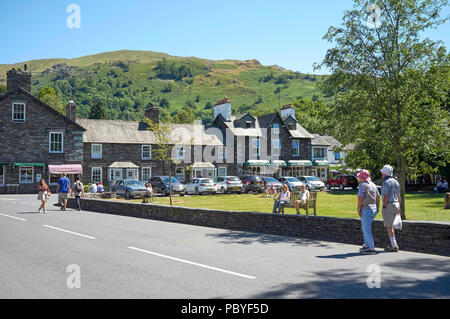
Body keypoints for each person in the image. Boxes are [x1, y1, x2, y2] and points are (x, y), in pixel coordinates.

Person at [357, 170, 380, 255]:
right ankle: (366, 245)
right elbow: (378, 196)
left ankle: (371, 248)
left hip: (366, 209)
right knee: (365, 227)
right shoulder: (373, 184)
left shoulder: (362, 185)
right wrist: (377, 207)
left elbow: (360, 198)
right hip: (373, 208)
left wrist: (358, 209)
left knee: (366, 229)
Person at [381, 165, 401, 252]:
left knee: (389, 226)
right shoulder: (396, 182)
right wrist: (399, 205)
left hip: (389, 204)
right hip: (396, 204)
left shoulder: (386, 182)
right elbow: (399, 195)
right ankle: (393, 243)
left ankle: (393, 245)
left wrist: (384, 206)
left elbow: (386, 196)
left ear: (384, 173)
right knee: (392, 225)